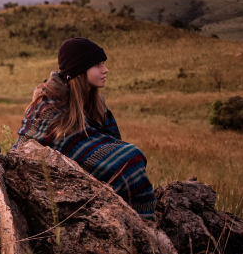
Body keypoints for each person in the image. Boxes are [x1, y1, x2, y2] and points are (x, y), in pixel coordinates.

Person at [15, 37, 156, 219]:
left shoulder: (96, 104)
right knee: (131, 159)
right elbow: (26, 151)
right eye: (97, 64)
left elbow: (109, 145)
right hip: (47, 188)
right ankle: (140, 221)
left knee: (130, 159)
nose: (105, 70)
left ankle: (136, 221)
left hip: (78, 187)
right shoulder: (48, 107)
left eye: (103, 63)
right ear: (79, 71)